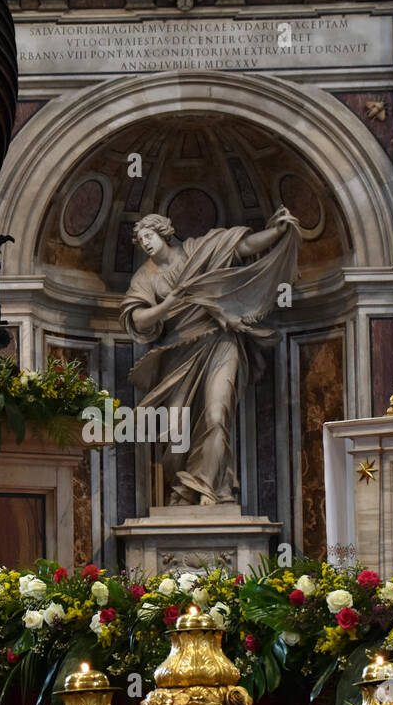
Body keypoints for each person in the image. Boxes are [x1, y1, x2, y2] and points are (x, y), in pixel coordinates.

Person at [120, 207, 299, 505]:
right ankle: (187, 489)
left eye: (149, 235)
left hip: (219, 341)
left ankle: (206, 488)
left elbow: (241, 246)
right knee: (174, 432)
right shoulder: (145, 277)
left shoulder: (197, 251)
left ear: (163, 232)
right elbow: (139, 320)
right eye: (140, 240)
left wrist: (277, 232)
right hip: (177, 353)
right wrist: (170, 305)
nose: (146, 243)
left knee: (217, 415)